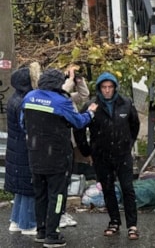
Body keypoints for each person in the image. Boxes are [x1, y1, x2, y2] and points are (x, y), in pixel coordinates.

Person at [21, 68, 97, 248]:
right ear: (58, 84)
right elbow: (79, 122)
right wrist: (91, 112)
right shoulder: (61, 101)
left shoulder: (29, 97)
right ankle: (52, 235)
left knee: (40, 195)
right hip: (57, 157)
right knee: (58, 196)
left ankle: (41, 231)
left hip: (35, 155)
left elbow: (23, 124)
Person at [74, 72, 141, 240]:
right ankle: (114, 221)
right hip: (101, 154)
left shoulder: (126, 103)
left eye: (110, 87)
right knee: (108, 188)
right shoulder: (91, 105)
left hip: (122, 154)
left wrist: (129, 143)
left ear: (115, 88)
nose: (107, 90)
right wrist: (87, 150)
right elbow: (79, 127)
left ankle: (132, 225)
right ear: (99, 88)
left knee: (127, 188)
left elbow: (135, 125)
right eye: (104, 87)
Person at [5, 66, 37, 236]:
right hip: (24, 150)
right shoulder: (25, 102)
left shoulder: (14, 98)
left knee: (21, 188)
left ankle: (16, 220)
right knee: (29, 186)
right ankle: (28, 224)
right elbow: (27, 127)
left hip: (16, 149)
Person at [59, 64, 90, 229]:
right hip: (60, 145)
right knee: (59, 182)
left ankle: (61, 212)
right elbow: (79, 120)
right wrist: (69, 80)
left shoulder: (68, 98)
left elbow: (84, 95)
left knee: (66, 179)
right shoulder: (58, 99)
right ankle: (58, 214)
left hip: (70, 143)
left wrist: (78, 80)